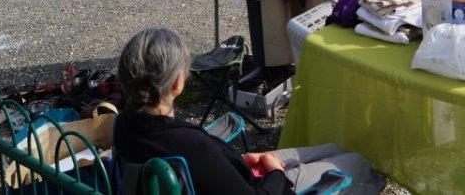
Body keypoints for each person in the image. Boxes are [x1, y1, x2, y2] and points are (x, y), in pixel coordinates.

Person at [115, 28, 383, 194]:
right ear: (177, 83)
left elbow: (207, 167)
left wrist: (234, 161)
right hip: (266, 186)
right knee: (356, 163)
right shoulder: (193, 147)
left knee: (334, 150)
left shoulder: (123, 126)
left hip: (228, 170)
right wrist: (276, 174)